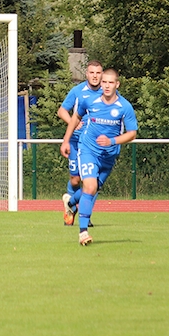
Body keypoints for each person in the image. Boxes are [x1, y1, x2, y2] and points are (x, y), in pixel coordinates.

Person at [59, 68, 137, 246]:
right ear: (101, 83)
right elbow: (75, 118)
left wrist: (112, 141)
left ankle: (70, 203)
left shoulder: (124, 106)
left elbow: (132, 134)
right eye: (104, 82)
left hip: (108, 156)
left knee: (92, 190)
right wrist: (66, 141)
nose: (107, 86)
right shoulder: (89, 100)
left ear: (117, 84)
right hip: (88, 150)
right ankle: (83, 232)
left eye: (111, 83)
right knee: (90, 186)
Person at [57, 61, 103, 225]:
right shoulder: (77, 91)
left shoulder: (107, 93)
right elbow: (61, 110)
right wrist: (73, 123)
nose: (95, 76)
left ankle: (86, 214)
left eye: (98, 73)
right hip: (76, 142)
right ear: (87, 74)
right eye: (92, 72)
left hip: (94, 145)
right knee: (76, 179)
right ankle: (70, 205)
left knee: (92, 181)